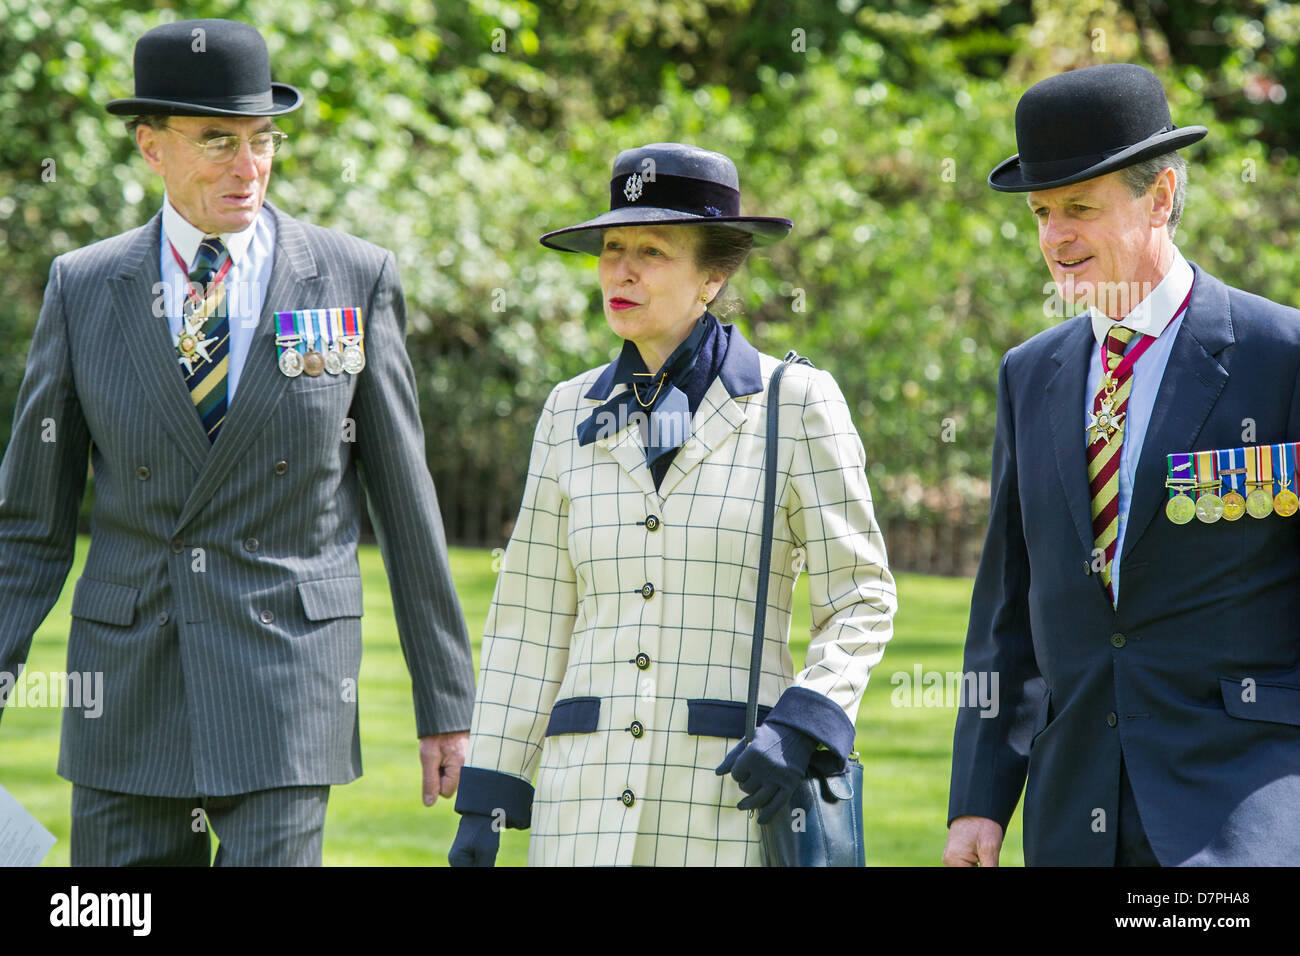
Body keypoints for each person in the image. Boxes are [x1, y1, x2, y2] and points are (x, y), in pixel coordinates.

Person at [0, 19, 475, 865]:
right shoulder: (82, 288)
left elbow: (407, 507)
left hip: (287, 680)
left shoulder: (352, 277)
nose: (247, 166)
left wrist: (447, 702)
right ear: (151, 147)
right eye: (217, 140)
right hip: (126, 686)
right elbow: (29, 526)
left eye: (263, 140)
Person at [448, 143, 896, 866]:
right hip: (581, 814)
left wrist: (804, 725)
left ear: (713, 276)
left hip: (731, 805)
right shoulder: (567, 411)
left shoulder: (796, 404)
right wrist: (489, 794)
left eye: (651, 251)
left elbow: (862, 598)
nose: (620, 270)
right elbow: (530, 619)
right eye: (612, 248)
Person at [944, 63, 1300, 867]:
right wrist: (977, 803)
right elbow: (1005, 614)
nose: (1055, 236)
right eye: (1041, 212)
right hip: (1076, 811)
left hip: (1244, 808)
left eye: (1080, 207)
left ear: (1162, 197)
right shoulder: (1028, 374)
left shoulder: (1284, 356)